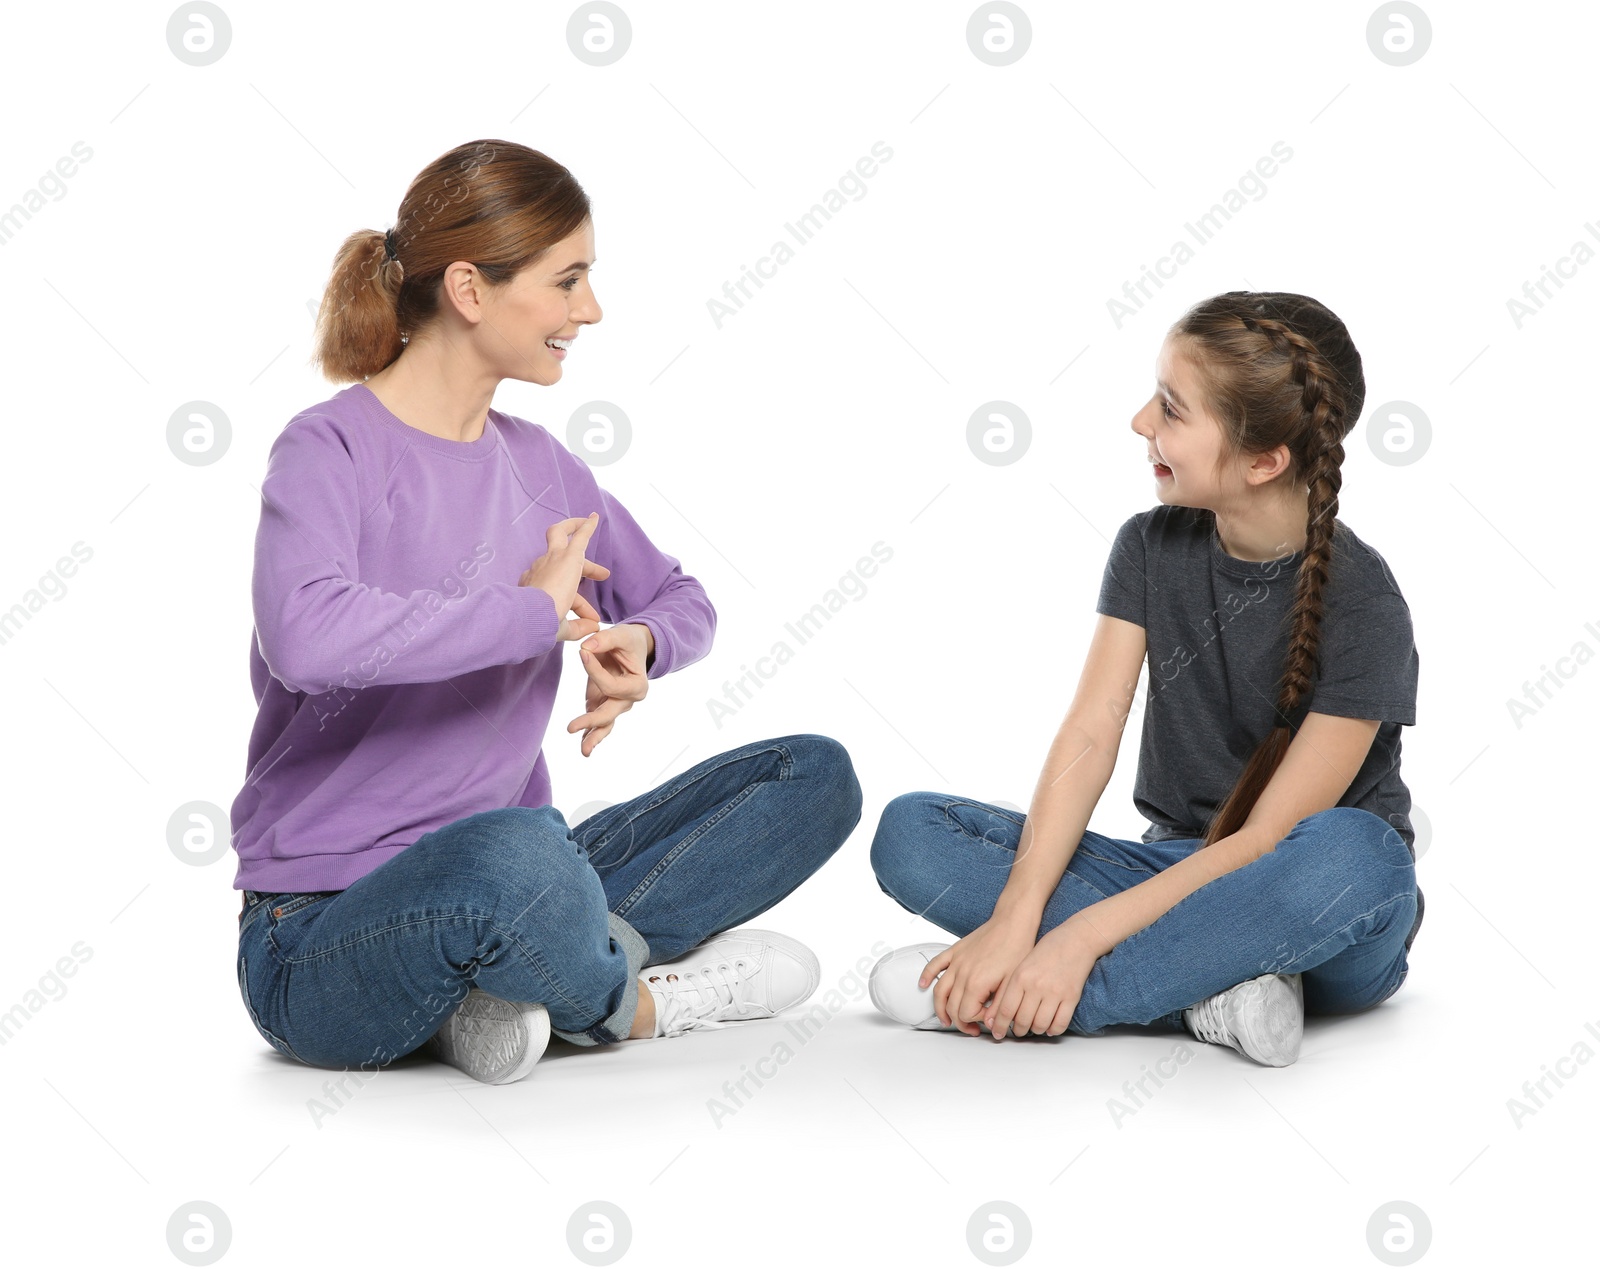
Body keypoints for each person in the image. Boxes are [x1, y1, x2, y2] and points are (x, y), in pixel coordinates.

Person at [231, 138, 862, 1086]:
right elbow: (307, 635)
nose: (590, 309)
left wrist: (637, 641)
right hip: (321, 930)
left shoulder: (543, 467)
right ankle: (632, 1002)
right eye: (568, 280)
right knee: (515, 857)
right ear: (470, 290)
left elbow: (680, 597)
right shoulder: (330, 450)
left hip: (517, 865)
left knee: (812, 775)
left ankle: (506, 980)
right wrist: (527, 613)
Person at [867, 292, 1421, 1067]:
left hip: (1309, 893)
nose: (1139, 423)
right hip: (1169, 867)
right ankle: (1215, 988)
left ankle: (1031, 995)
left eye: (1170, 409)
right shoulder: (1150, 544)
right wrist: (1020, 912)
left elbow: (1265, 839)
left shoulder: (1365, 603)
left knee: (1361, 855)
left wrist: (1080, 936)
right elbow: (1092, 734)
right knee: (911, 831)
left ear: (1264, 461)